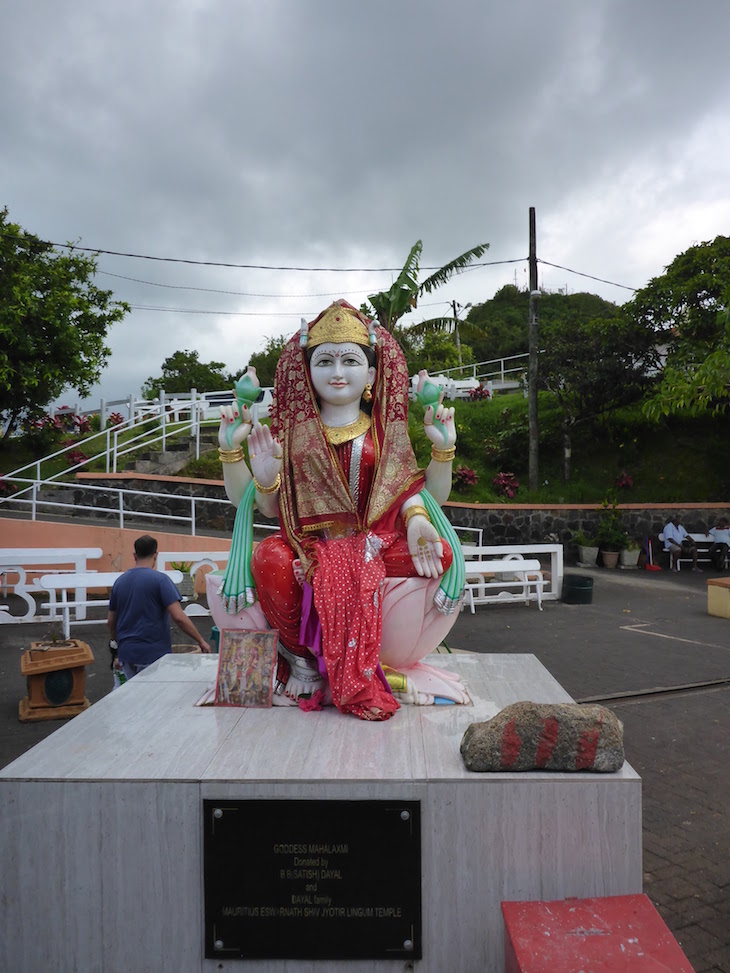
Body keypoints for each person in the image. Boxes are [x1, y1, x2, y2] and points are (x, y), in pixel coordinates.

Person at [213, 300, 466, 720]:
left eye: (350, 360)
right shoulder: (291, 436)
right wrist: (241, 460)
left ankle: (372, 663)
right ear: (307, 373)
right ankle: (303, 661)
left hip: (372, 547)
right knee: (269, 557)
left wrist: (441, 454)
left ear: (370, 374)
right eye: (324, 361)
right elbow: (267, 507)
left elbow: (412, 493)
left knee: (437, 553)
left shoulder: (384, 432)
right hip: (308, 549)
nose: (337, 372)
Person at [108, 534, 211, 680]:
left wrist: (117, 649)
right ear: (155, 555)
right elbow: (178, 617)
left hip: (128, 654)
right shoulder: (161, 581)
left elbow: (111, 622)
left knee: (133, 698)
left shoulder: (120, 582)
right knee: (153, 698)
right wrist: (200, 640)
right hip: (153, 654)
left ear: (134, 555)